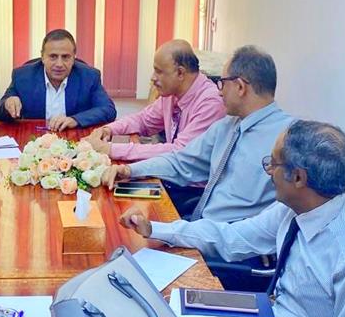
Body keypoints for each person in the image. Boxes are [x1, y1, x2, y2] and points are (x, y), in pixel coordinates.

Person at [119, 121, 345, 317]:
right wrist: (155, 229)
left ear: (299, 177)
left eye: (273, 163)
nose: (268, 171)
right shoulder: (298, 207)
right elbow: (232, 237)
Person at [103, 45, 293, 223]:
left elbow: (255, 229)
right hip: (201, 226)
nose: (219, 92)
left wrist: (165, 231)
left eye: (222, 83)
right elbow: (181, 161)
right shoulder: (228, 126)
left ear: (240, 87)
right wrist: (130, 170)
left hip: (228, 239)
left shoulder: (289, 139)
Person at [85, 39, 225, 161]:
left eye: (159, 71)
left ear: (180, 73)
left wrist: (110, 149)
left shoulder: (211, 102)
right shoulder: (172, 93)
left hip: (193, 182)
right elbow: (143, 120)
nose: (153, 78)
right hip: (171, 173)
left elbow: (180, 152)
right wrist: (109, 129)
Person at [0, 29, 117, 131]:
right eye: (53, 56)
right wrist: (7, 104)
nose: (59, 64)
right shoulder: (23, 77)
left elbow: (108, 110)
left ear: (74, 58)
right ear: (42, 57)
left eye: (66, 57)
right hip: (34, 141)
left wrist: (75, 120)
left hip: (74, 142)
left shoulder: (89, 77)